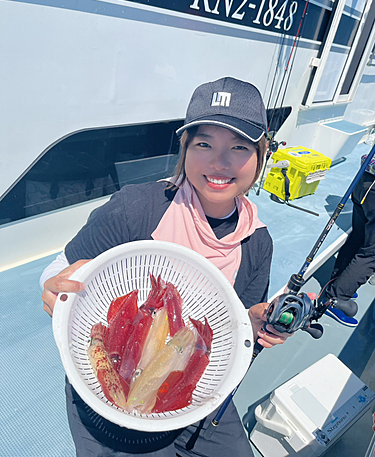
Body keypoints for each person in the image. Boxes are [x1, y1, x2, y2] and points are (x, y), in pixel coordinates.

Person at [41, 76, 291, 457]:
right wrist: (55, 285)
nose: (220, 162)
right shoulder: (135, 209)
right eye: (204, 143)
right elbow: (60, 272)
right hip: (109, 419)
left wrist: (254, 325)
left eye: (239, 147)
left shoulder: (258, 242)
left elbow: (233, 329)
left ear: (260, 157)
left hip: (200, 406)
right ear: (185, 148)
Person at [324, 161, 375, 327]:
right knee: (371, 255)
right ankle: (336, 298)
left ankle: (338, 280)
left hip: (365, 181)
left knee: (358, 237)